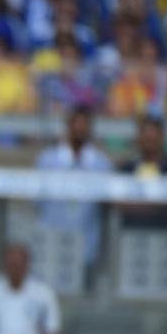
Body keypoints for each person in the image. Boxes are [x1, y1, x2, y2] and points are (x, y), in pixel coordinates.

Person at [35, 106, 114, 267]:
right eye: (76, 124)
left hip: (88, 248)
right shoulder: (47, 161)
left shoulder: (101, 164)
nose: (80, 129)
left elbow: (106, 206)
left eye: (84, 125)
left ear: (90, 129)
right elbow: (37, 202)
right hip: (52, 244)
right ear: (68, 126)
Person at [118, 115, 167, 231]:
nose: (149, 142)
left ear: (162, 137)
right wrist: (160, 203)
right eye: (146, 138)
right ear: (138, 138)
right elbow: (120, 203)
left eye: (153, 139)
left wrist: (137, 204)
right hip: (134, 234)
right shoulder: (127, 169)